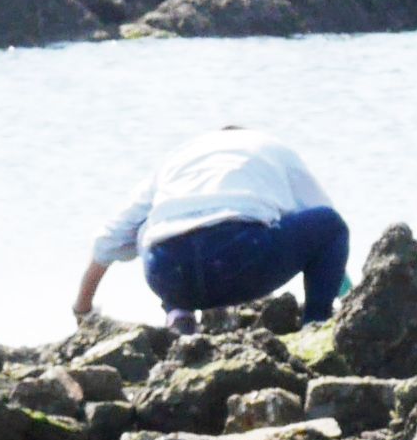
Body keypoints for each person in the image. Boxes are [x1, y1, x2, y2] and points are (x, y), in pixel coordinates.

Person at [75, 124, 351, 329]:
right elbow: (327, 228)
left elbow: (109, 239)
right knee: (330, 223)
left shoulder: (176, 160)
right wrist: (351, 296)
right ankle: (316, 322)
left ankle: (179, 315)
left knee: (155, 225)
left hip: (169, 274)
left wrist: (83, 308)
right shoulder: (272, 148)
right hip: (241, 260)